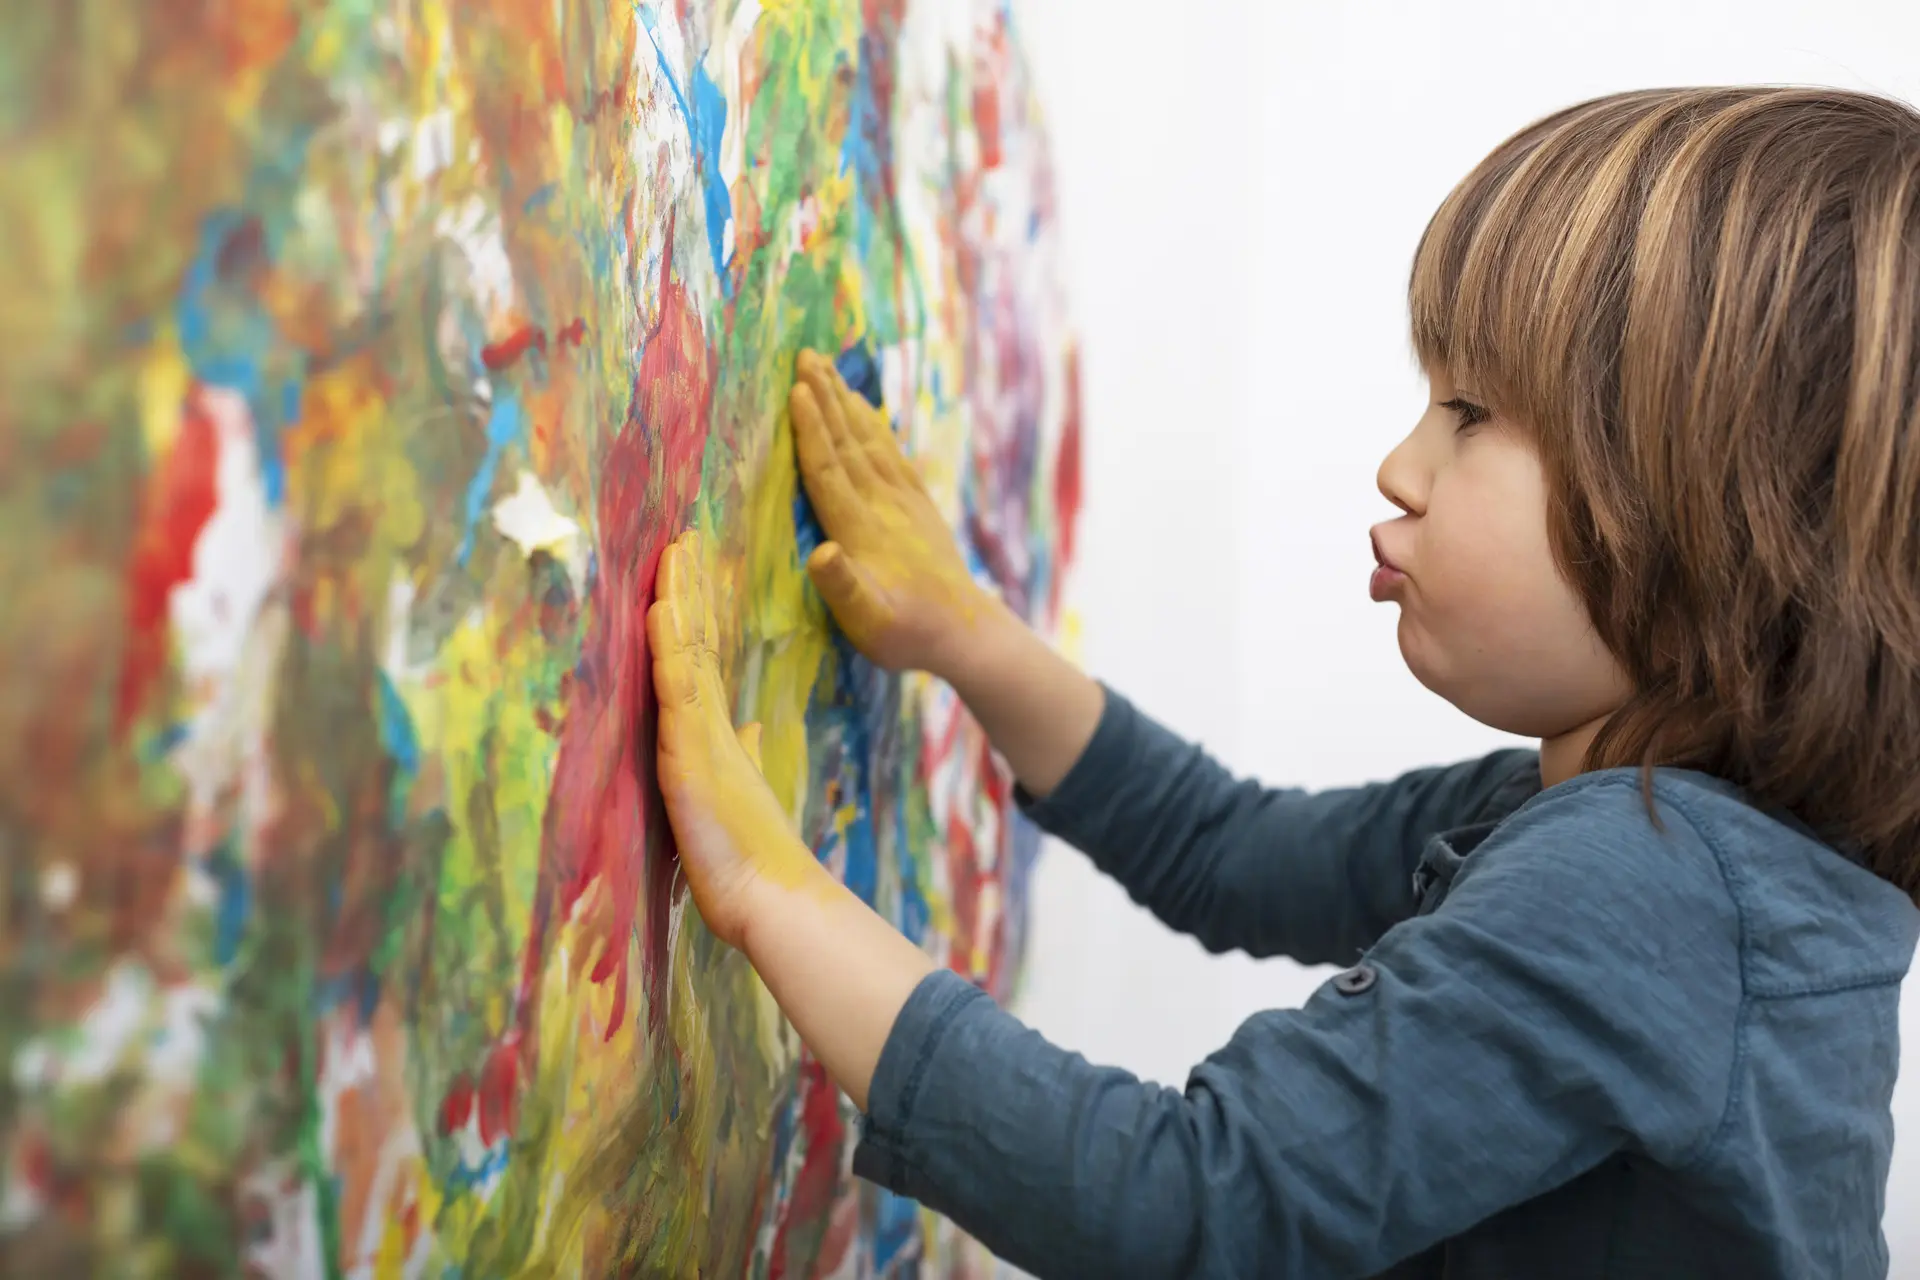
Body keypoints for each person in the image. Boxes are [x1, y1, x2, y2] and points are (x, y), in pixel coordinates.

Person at [646, 86, 1920, 1278]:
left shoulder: (1648, 888)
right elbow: (1231, 849)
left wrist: (766, 883)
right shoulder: (1656, 840)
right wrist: (968, 634)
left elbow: (1183, 1204)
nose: (1399, 466)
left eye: (1470, 413)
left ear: (1712, 519)